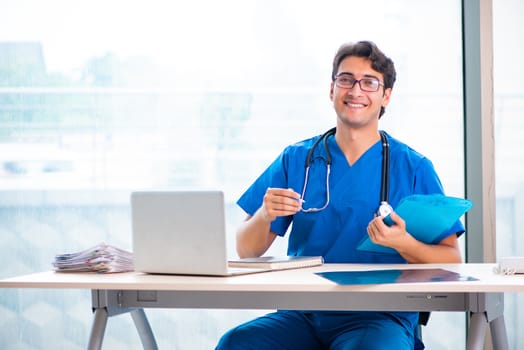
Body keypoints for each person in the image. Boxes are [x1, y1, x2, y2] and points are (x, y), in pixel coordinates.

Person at [216, 40, 464, 350]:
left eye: (369, 82)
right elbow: (246, 250)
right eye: (345, 79)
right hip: (302, 313)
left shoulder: (413, 167)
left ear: (386, 96)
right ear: (332, 89)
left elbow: (452, 259)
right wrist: (265, 214)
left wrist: (405, 243)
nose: (355, 91)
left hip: (379, 316)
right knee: (237, 343)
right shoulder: (297, 159)